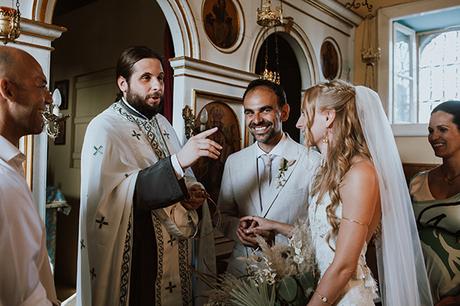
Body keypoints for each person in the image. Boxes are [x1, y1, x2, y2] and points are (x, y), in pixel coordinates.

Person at [242, 80, 433, 305]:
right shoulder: (333, 169)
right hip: (327, 290)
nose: (299, 123)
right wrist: (274, 226)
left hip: (346, 297)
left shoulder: (361, 173)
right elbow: (326, 239)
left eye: (305, 113)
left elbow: (344, 265)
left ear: (328, 117)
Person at [77, 46, 222, 306]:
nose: (157, 86)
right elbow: (111, 198)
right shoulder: (104, 127)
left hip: (177, 253)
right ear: (123, 83)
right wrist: (177, 163)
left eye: (161, 78)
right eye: (146, 78)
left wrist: (190, 191)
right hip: (139, 255)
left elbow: (181, 177)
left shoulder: (163, 124)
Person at [218, 79, 320, 276]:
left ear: (284, 112)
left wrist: (274, 235)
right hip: (241, 277)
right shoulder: (234, 162)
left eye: (265, 110)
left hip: (293, 275)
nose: (256, 120)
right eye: (249, 112)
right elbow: (221, 216)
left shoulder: (313, 162)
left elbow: (320, 230)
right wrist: (237, 229)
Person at [0, 46, 59, 305]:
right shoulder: (4, 184)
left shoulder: (11, 166)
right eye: (41, 85)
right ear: (8, 90)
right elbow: (24, 299)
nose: (49, 98)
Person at [410, 100, 460, 306]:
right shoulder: (417, 181)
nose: (434, 137)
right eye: (431, 131)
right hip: (416, 287)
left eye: (443, 129)